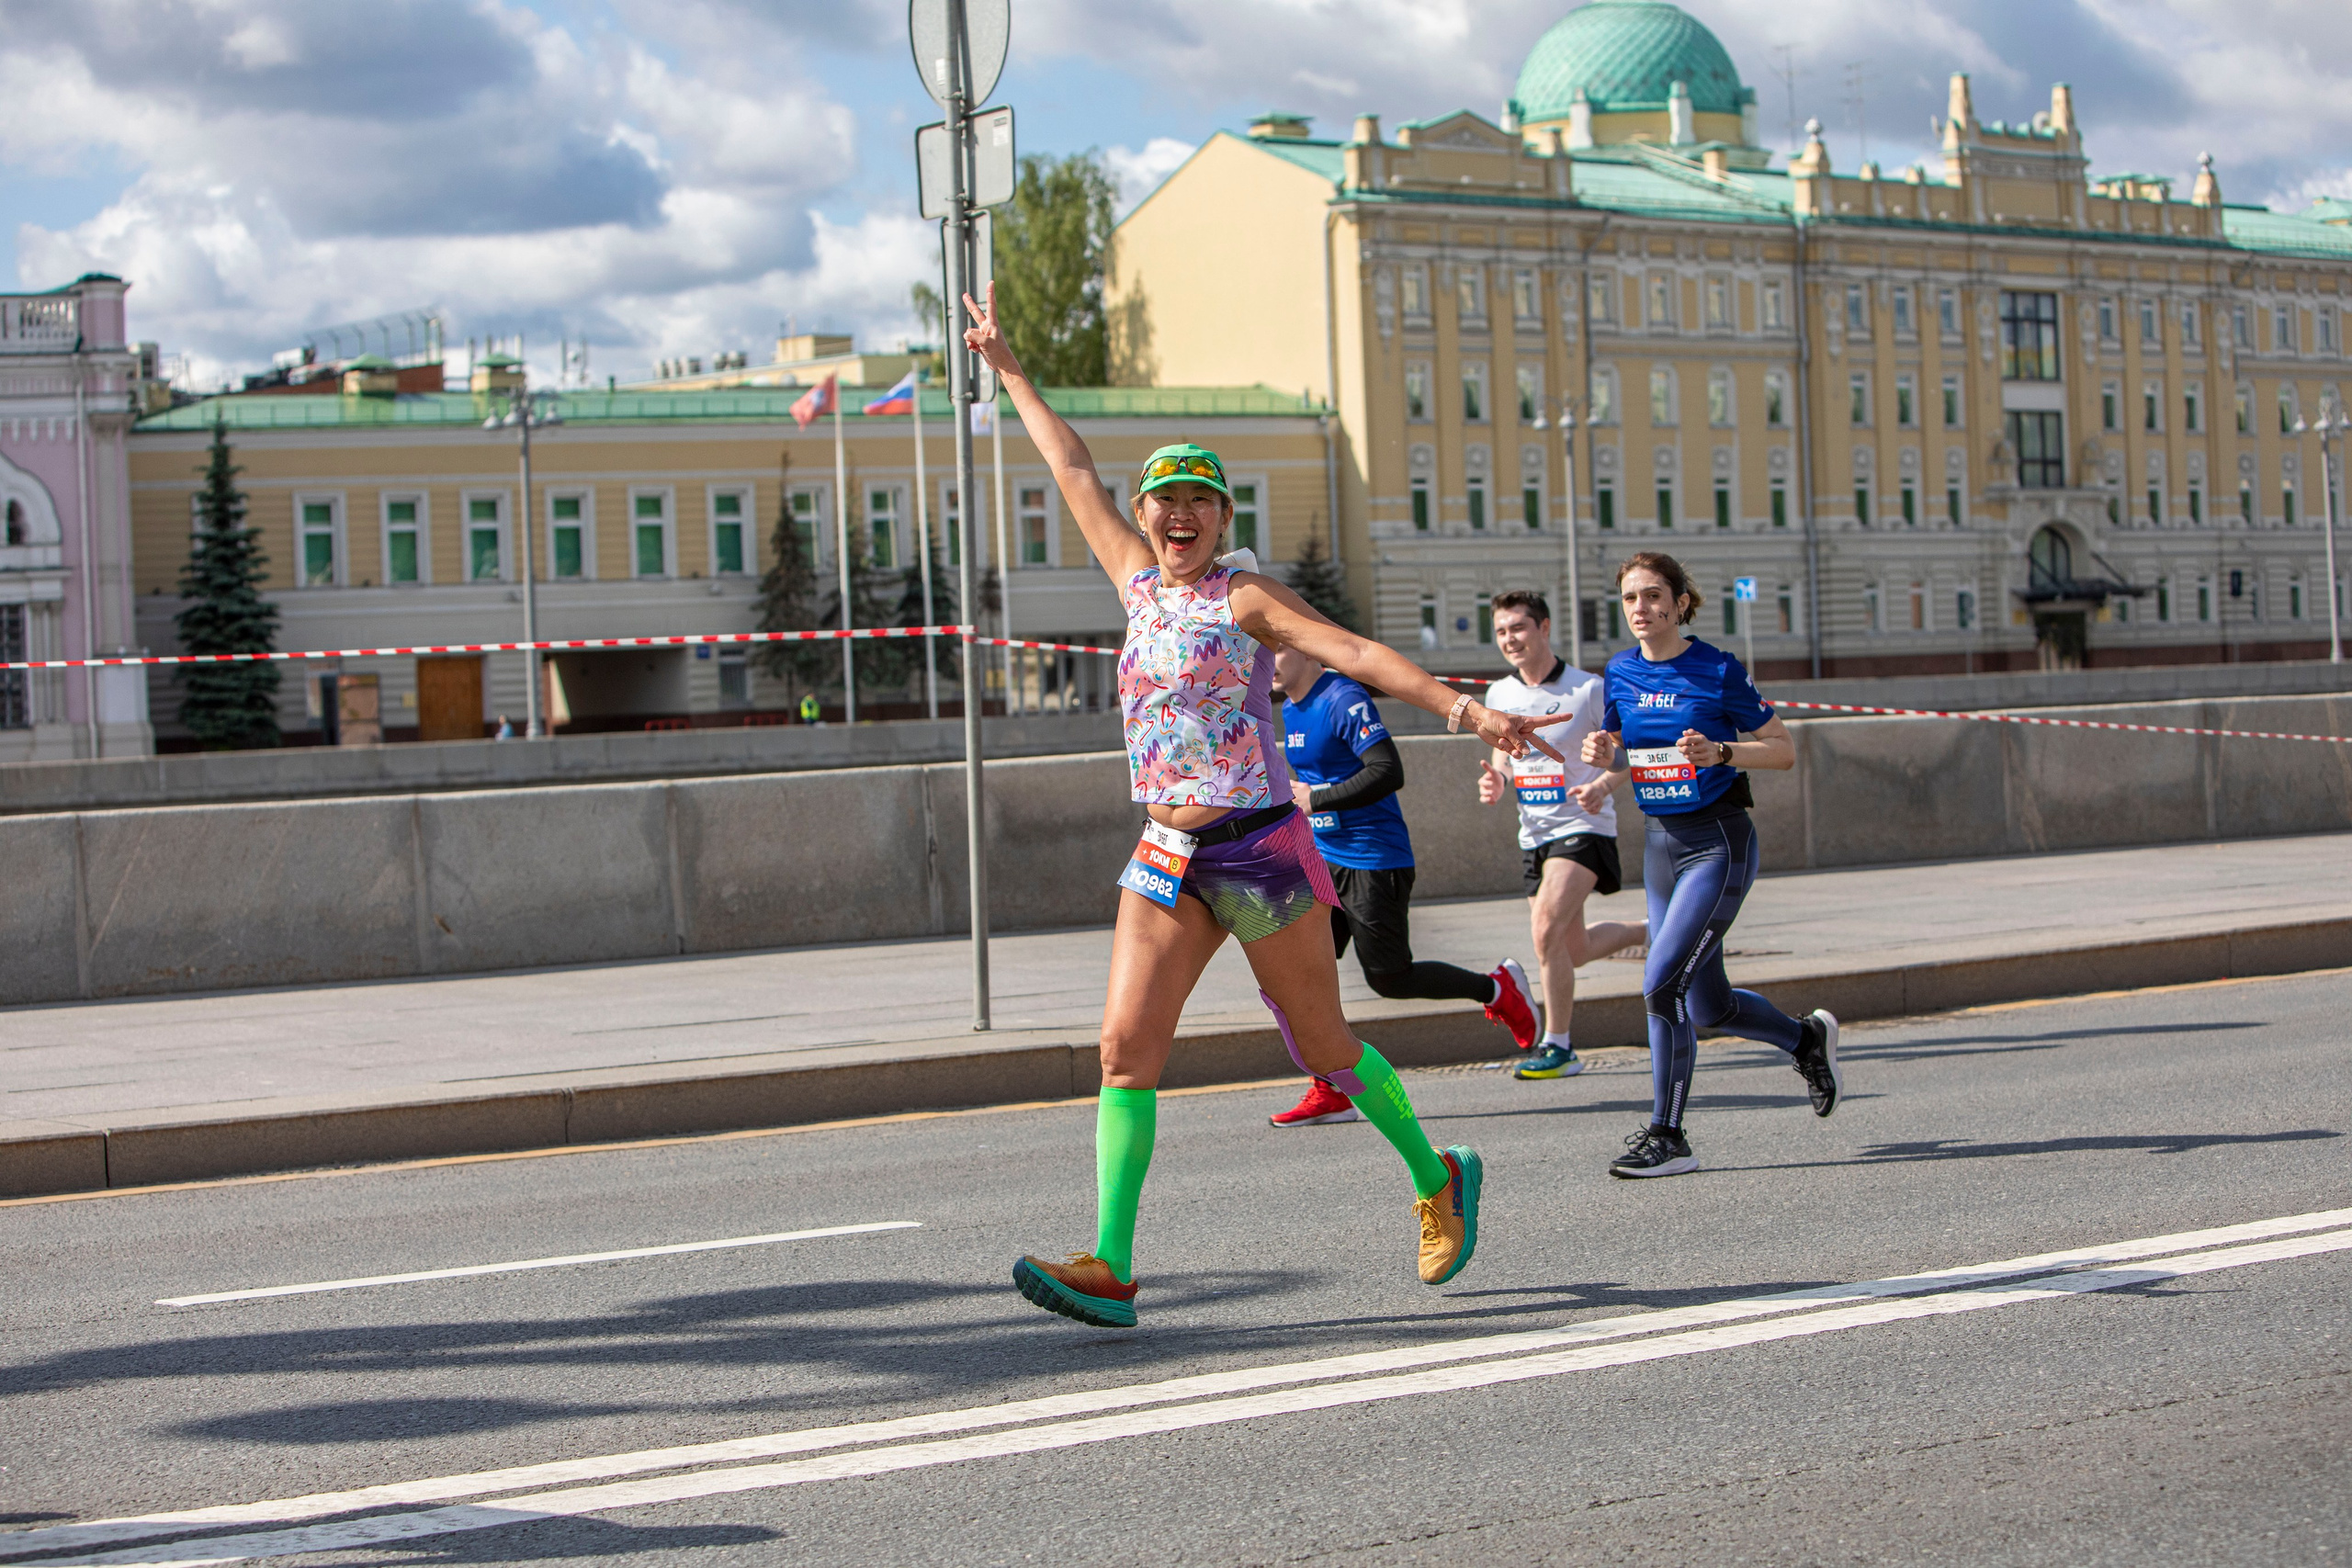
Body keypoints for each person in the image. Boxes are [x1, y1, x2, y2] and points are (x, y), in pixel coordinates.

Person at [965, 282, 1573, 1327]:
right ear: (1145, 515)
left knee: (1325, 1047)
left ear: (1222, 520)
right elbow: (1071, 468)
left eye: (1198, 499)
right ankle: (1112, 1263)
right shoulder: (1135, 583)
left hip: (1260, 855)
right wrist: (1009, 366)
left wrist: (1466, 711)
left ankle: (1437, 1176)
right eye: (1163, 498)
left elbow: (1354, 651)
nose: (1178, 513)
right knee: (1123, 1051)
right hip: (1166, 855)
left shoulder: (1242, 598)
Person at [1580, 551, 1842, 1179]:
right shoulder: (1620, 672)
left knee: (1661, 983)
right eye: (1630, 598)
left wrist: (1721, 751)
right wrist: (1602, 759)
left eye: (1652, 595)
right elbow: (1627, 748)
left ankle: (1668, 1136)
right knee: (1708, 1006)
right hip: (1660, 847)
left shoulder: (1717, 669)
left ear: (1680, 603)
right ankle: (1805, 1039)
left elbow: (1782, 750)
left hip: (1717, 844)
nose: (1640, 608)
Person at [1266, 645, 1544, 1129]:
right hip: (1322, 859)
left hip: (1374, 859)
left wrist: (1317, 797)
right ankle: (1330, 1089)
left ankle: (1496, 988)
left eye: (1276, 648)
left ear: (1309, 652)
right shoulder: (1291, 706)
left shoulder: (1342, 698)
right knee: (1300, 973)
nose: (1266, 659)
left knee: (1389, 977)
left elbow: (1387, 770)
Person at [1475, 590, 1647, 1080]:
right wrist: (1497, 779)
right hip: (1534, 832)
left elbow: (1627, 755)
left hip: (1583, 826)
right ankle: (1652, 931)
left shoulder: (1587, 689)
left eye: (1519, 628)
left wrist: (1601, 785)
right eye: (1502, 631)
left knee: (1545, 932)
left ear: (1544, 627)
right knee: (1572, 950)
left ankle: (1560, 1045)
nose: (1510, 639)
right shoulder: (1498, 694)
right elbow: (1503, 754)